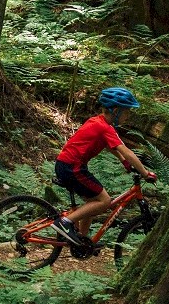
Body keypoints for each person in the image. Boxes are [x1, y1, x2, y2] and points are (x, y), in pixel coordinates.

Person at [51, 86, 157, 247]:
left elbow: (110, 146)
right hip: (72, 167)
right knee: (104, 200)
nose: (128, 116)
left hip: (67, 165)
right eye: (126, 111)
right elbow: (127, 151)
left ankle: (81, 240)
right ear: (115, 111)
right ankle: (64, 222)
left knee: (93, 201)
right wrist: (144, 172)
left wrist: (123, 161)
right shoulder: (105, 128)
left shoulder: (97, 121)